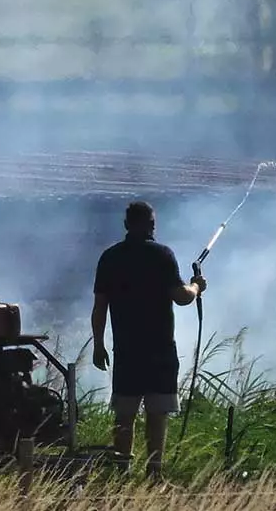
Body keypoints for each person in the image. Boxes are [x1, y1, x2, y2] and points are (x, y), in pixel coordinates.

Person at [91, 200, 207, 479]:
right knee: (157, 415)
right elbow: (181, 297)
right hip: (160, 351)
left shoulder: (110, 257)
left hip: (126, 351)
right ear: (147, 225)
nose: (154, 228)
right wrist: (196, 287)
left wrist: (98, 345)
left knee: (124, 416)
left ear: (126, 225)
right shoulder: (162, 255)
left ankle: (121, 473)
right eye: (152, 223)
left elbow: (99, 307)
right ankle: (154, 475)